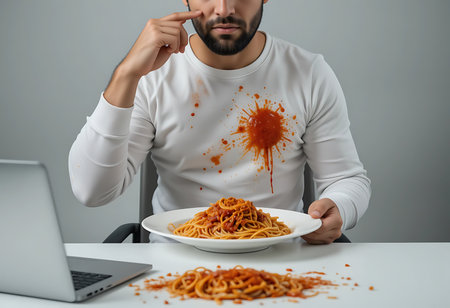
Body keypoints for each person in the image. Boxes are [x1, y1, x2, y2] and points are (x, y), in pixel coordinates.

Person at [69, 0, 371, 244]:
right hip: (172, 265)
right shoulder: (152, 78)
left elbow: (347, 179)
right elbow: (91, 191)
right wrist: (126, 75)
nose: (224, 8)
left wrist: (339, 207)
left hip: (282, 260)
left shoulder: (309, 73)